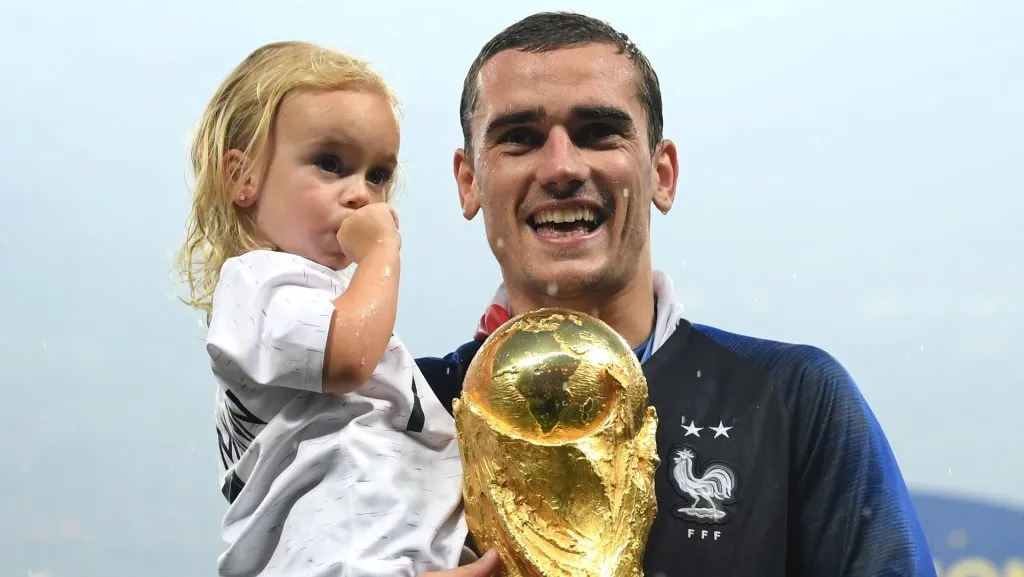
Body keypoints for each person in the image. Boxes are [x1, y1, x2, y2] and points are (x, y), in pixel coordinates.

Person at [416, 11, 937, 577]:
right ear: (469, 182)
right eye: (520, 139)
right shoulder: (407, 411)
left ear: (662, 174)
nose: (562, 167)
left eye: (598, 132)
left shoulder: (794, 399)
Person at [175, 41, 466, 577]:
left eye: (378, 175)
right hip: (348, 551)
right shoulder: (256, 282)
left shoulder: (309, 294)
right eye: (330, 164)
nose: (361, 194)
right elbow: (351, 357)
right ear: (242, 178)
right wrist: (381, 253)